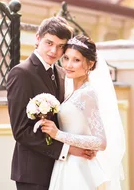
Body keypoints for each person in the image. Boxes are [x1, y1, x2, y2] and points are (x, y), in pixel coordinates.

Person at [7, 17, 96, 190]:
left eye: (61, 46)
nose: (54, 51)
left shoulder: (62, 73)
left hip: (61, 169)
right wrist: (68, 149)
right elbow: (21, 131)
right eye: (49, 43)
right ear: (38, 38)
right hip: (33, 170)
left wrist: (81, 144)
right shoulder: (21, 73)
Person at [40, 35, 125, 190]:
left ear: (90, 64)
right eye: (66, 58)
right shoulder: (72, 92)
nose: (68, 65)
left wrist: (58, 134)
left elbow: (101, 142)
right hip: (67, 163)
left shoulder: (87, 94)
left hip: (78, 167)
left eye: (76, 60)